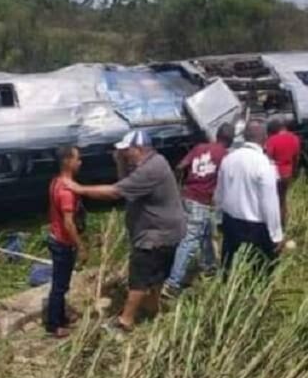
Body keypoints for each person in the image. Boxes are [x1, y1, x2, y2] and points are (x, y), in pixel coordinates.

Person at [64, 130, 185, 332]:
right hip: (164, 232)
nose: (124, 154)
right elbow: (125, 183)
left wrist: (78, 189)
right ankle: (153, 311)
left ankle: (125, 322)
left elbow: (115, 192)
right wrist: (120, 162)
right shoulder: (151, 162)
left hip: (155, 236)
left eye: (126, 151)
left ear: (138, 149)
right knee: (154, 276)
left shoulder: (151, 169)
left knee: (139, 279)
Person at [163, 123, 235, 297]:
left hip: (187, 195)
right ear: (231, 140)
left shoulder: (199, 148)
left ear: (217, 135)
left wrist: (178, 188)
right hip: (202, 200)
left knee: (206, 232)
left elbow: (180, 167)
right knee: (190, 240)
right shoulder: (225, 156)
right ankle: (173, 283)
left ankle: (209, 268)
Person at [215, 120, 283, 273]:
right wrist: (276, 234)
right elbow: (270, 203)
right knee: (260, 272)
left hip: (231, 222)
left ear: (245, 137)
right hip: (255, 228)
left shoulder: (228, 159)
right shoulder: (264, 164)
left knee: (229, 269)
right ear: (265, 138)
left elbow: (219, 192)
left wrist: (219, 219)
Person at [45, 146, 86, 338]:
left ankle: (60, 317)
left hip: (55, 237)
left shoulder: (56, 182)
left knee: (61, 283)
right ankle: (54, 324)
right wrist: (80, 245)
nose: (80, 162)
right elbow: (69, 223)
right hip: (62, 242)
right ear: (67, 161)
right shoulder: (66, 192)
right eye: (77, 159)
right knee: (59, 286)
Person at [264, 117, 301, 230]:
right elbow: (296, 157)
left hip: (275, 175)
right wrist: (294, 171)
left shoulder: (272, 140)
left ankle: (274, 226)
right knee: (283, 199)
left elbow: (268, 158)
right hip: (287, 173)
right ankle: (283, 224)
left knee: (272, 200)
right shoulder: (295, 138)